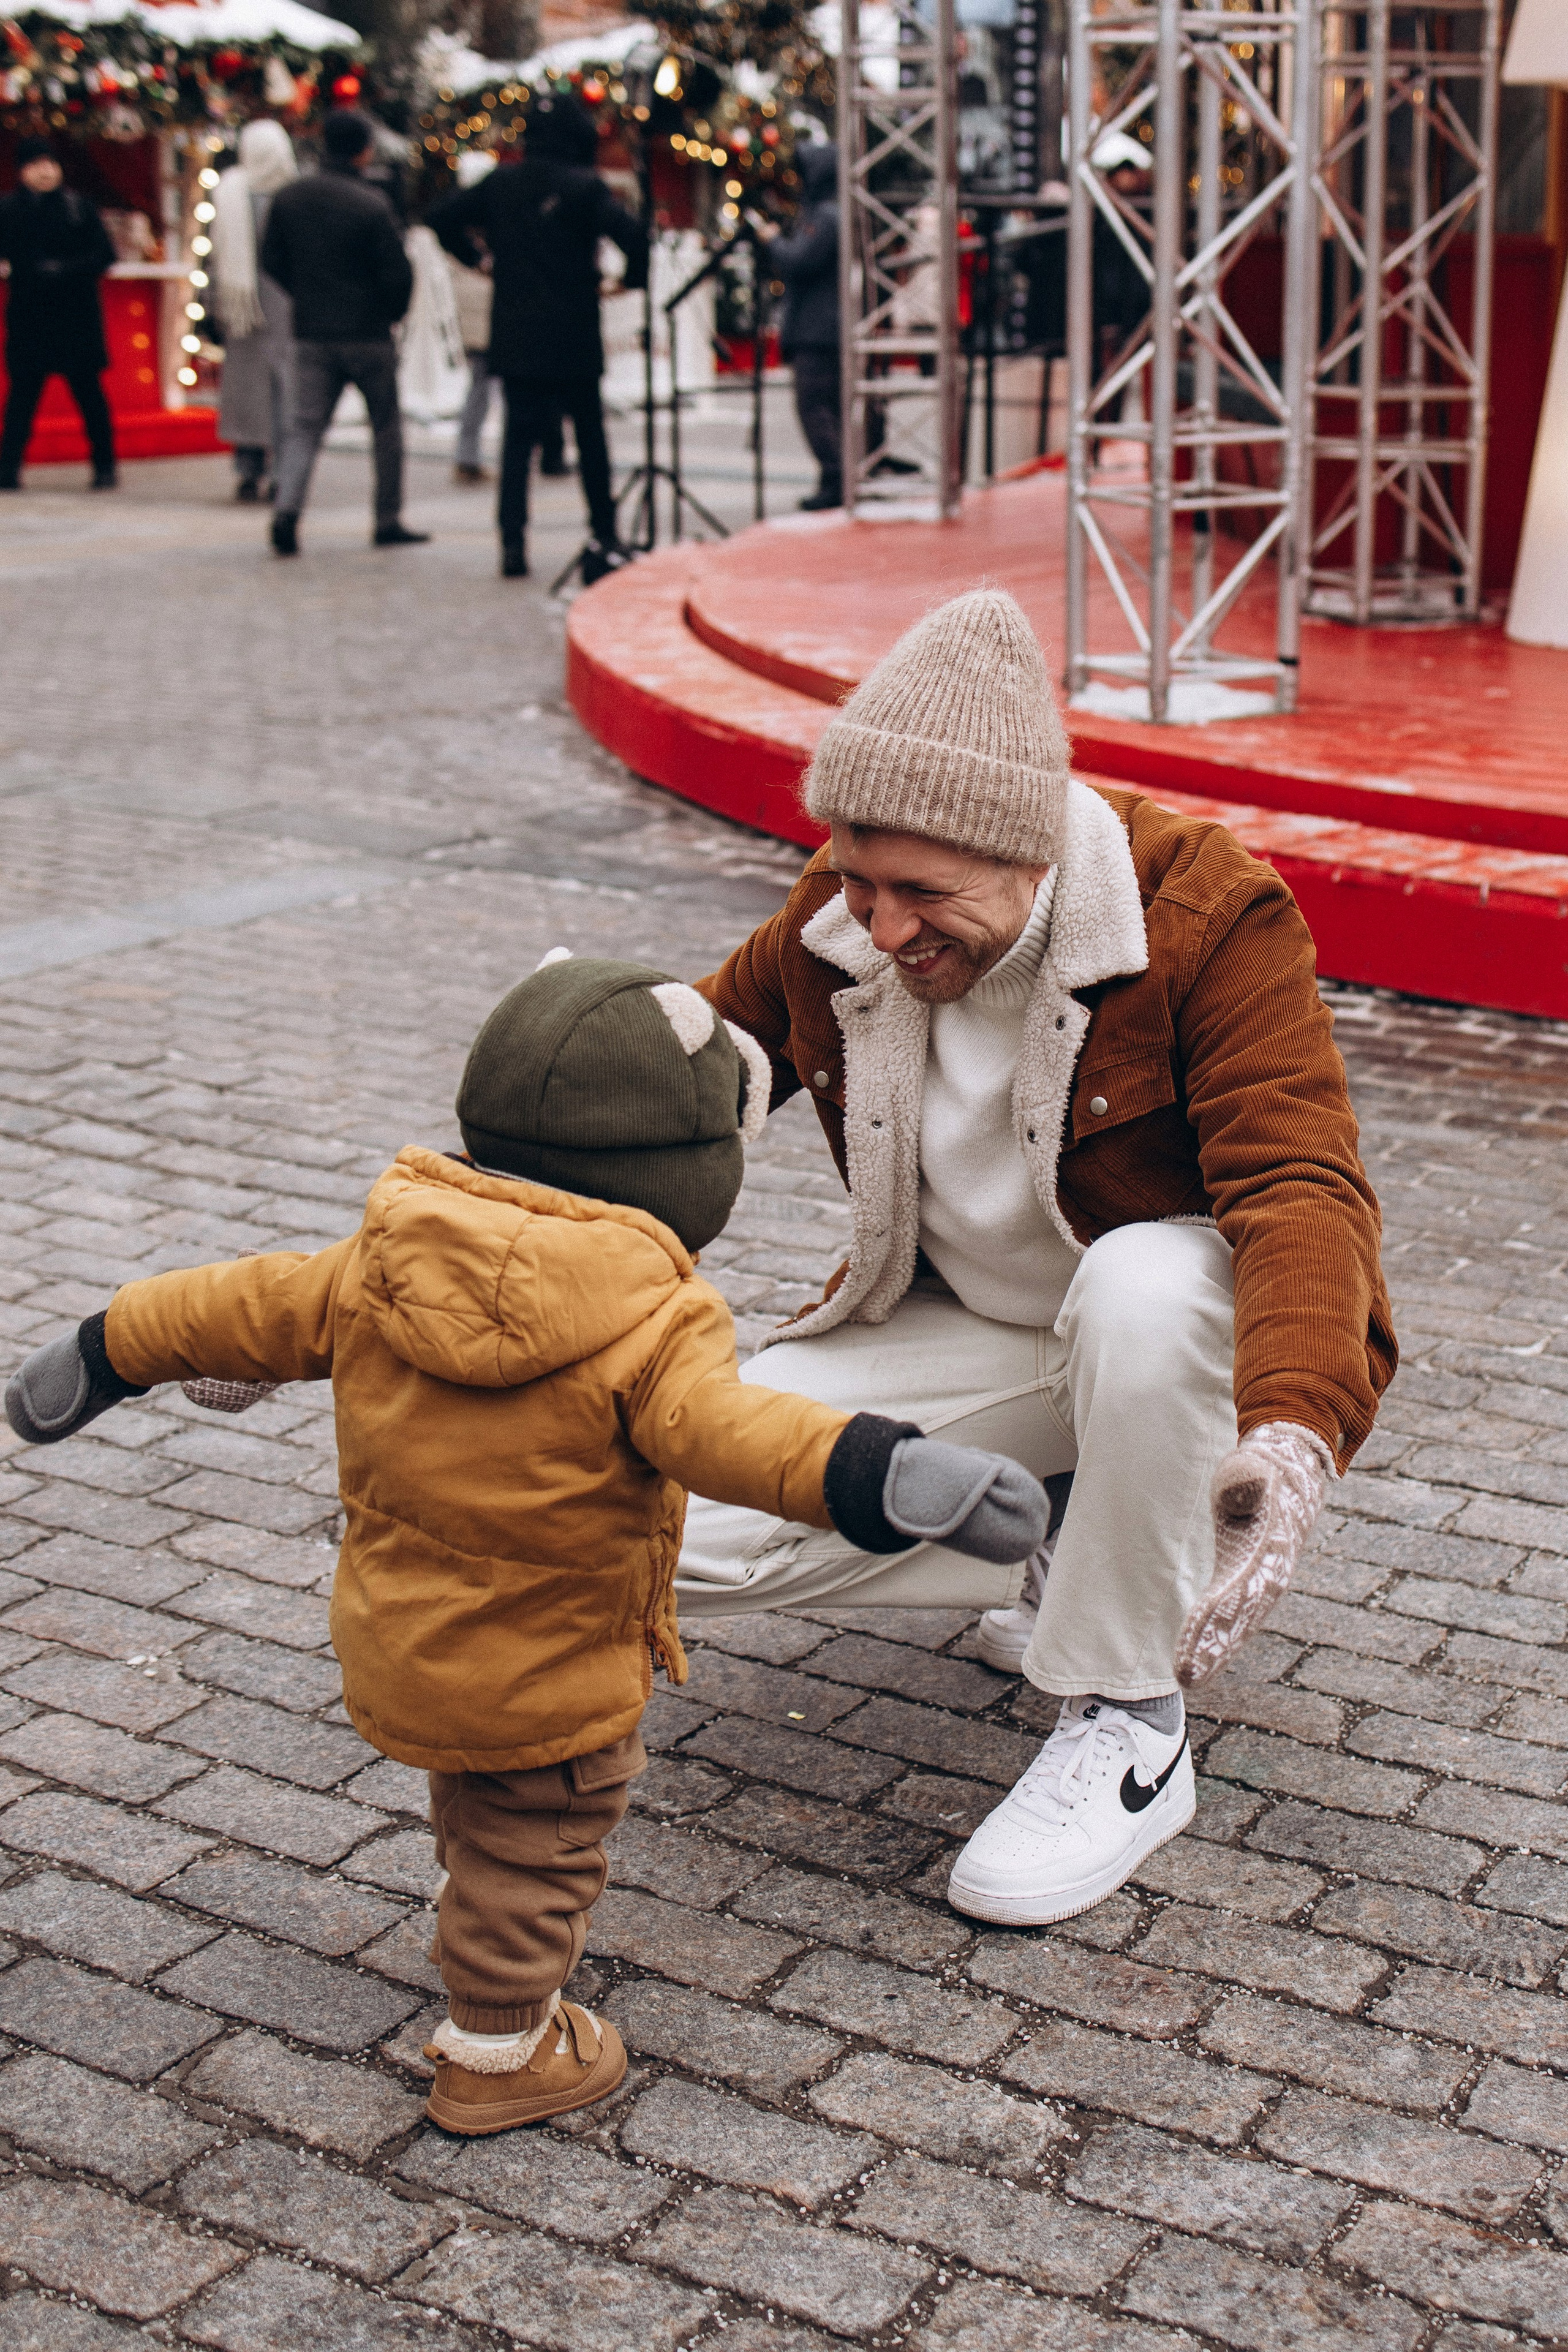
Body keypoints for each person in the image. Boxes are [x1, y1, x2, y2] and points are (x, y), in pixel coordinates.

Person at [5, 953, 1047, 2132]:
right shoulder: (653, 1315)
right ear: (683, 1170)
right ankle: (500, 2051)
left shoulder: (382, 1259)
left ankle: (480, 1932)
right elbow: (737, 1436)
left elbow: (230, 1305)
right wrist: (885, 1472)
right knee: (538, 1847)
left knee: (480, 1805)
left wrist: (103, 1350)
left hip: (399, 1636)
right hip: (551, 1669)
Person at [677, 587, 1396, 1928]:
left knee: (1147, 1283)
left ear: (1029, 854)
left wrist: (1293, 1436)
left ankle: (1127, 1718)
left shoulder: (1207, 913)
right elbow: (675, 1081)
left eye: (921, 894)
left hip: (1149, 1335)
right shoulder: (839, 914)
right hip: (959, 1326)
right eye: (857, 879)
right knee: (656, 1534)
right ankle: (1054, 1514)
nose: (880, 928)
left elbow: (1300, 1183)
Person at [431, 91, 646, 581]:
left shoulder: (502, 182)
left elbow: (442, 218)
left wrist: (479, 260)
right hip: (574, 328)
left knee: (517, 442)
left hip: (518, 328)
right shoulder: (585, 186)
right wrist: (628, 280)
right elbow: (634, 236)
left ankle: (513, 543)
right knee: (589, 437)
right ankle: (604, 533)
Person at [260, 108, 426, 557]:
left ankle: (287, 510)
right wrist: (391, 313)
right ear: (363, 150)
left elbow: (271, 259)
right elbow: (398, 272)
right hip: (368, 332)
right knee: (386, 427)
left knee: (305, 426)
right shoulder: (371, 203)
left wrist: (304, 294)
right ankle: (387, 518)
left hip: (312, 330)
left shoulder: (290, 197)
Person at [0, 137, 117, 492]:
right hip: (30, 316)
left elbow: (105, 255)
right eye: (36, 165)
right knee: (22, 398)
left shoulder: (78, 206)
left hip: (75, 315)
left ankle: (105, 466)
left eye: (50, 164)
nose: (45, 172)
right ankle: (8, 469)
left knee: (89, 395)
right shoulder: (8, 209)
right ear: (22, 171)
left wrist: (65, 269)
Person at [211, 119, 297, 504]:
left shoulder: (229, 191)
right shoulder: (293, 194)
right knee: (281, 392)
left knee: (251, 392)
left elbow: (215, 257)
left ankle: (251, 471)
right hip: (282, 307)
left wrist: (215, 305)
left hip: (244, 308)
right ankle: (278, 473)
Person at [768, 141, 842, 511]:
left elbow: (800, 261)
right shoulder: (826, 212)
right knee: (825, 406)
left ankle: (837, 475)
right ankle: (834, 478)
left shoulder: (825, 216)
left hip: (819, 330)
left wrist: (772, 242)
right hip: (822, 327)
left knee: (813, 406)